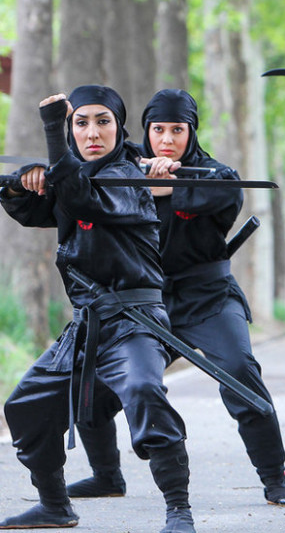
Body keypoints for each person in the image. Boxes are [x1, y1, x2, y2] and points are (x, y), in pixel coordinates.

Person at [64, 89, 285, 508]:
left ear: (191, 132)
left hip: (208, 299)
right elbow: (78, 179)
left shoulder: (216, 175)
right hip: (142, 304)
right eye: (158, 129)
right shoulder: (121, 170)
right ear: (145, 130)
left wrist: (167, 186)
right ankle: (106, 475)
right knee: (88, 381)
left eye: (177, 130)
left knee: (240, 371)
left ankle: (275, 479)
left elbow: (223, 195)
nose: (167, 139)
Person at [0, 87, 195, 532]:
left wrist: (53, 133)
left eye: (103, 121)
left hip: (135, 323)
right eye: (80, 122)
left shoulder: (129, 177)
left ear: (119, 127)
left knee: (144, 391)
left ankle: (179, 511)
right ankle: (54, 506)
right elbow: (34, 210)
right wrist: (22, 182)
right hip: (86, 326)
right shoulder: (72, 177)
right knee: (26, 406)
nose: (92, 132)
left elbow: (82, 198)